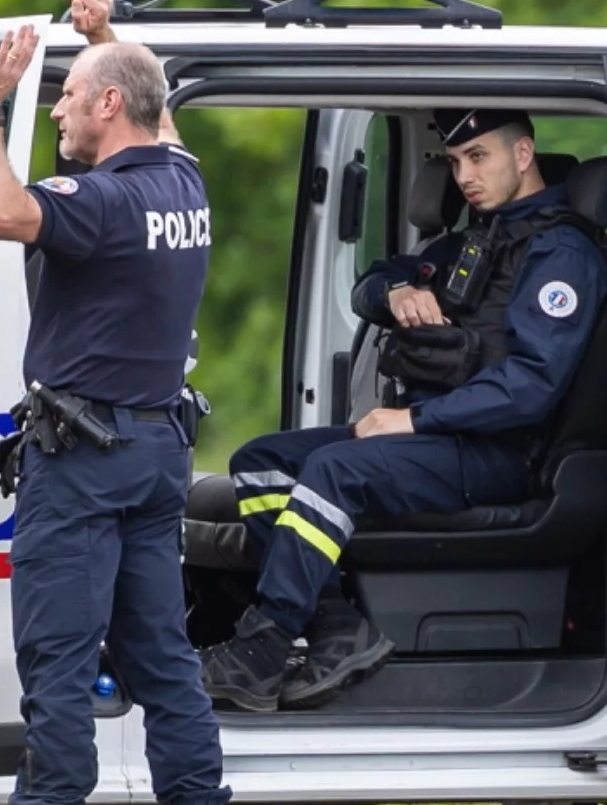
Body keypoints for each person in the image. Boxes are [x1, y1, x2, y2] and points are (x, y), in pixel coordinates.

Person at [0, 0, 228, 805]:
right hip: (154, 447)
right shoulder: (180, 186)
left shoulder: (102, 200)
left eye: (69, 96)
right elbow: (160, 111)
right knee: (161, 659)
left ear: (108, 108)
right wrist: (105, 38)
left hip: (80, 458)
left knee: (58, 659)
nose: (59, 111)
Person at [203, 108, 607, 714]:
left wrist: (413, 420)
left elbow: (530, 388)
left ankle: (265, 645)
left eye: (479, 158)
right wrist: (398, 293)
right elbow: (368, 283)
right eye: (454, 162)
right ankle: (338, 628)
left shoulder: (561, 253)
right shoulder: (473, 239)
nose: (463, 175)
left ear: (523, 155)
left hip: (500, 454)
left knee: (335, 470)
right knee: (260, 461)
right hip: (442, 442)